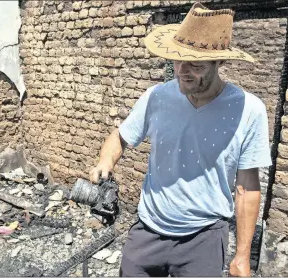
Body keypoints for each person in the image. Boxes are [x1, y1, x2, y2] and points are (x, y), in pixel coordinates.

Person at [89, 2, 272, 277]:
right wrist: (105, 160)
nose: (182, 71)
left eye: (195, 64)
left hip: (204, 238)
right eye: (177, 59)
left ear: (219, 62)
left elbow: (247, 186)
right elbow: (120, 136)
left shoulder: (249, 110)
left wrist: (242, 255)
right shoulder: (157, 97)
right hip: (148, 229)